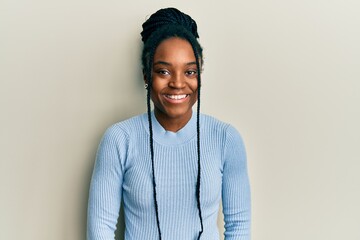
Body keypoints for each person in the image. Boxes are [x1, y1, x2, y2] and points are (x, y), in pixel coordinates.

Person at [87, 7, 251, 240]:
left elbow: (239, 226)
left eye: (190, 72)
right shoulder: (119, 139)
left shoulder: (225, 138)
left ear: (200, 75)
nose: (177, 83)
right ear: (146, 75)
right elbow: (100, 229)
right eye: (163, 71)